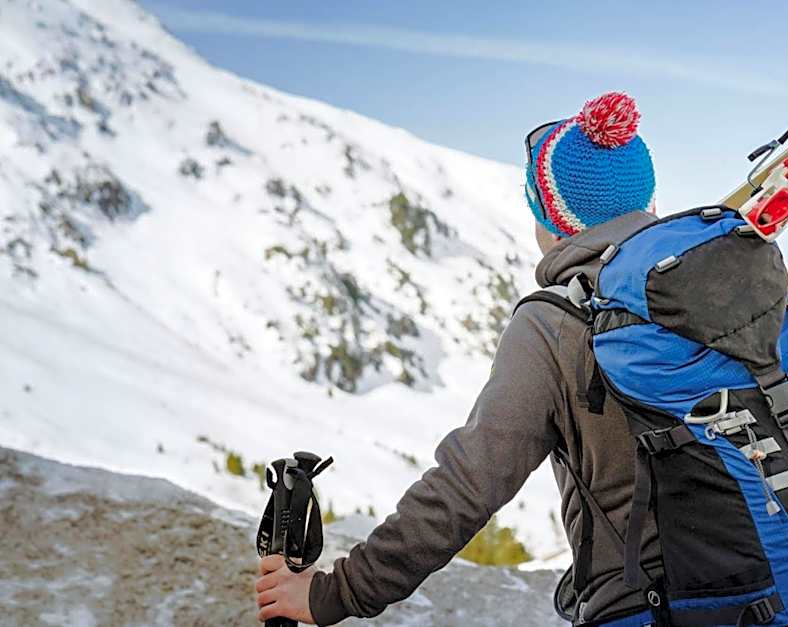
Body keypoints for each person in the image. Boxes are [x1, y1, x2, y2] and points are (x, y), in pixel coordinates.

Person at [256, 91, 661, 626]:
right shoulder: (740, 286)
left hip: (650, 607)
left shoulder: (554, 325)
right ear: (650, 201)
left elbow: (468, 484)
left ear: (552, 221)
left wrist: (336, 593)